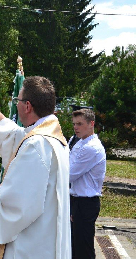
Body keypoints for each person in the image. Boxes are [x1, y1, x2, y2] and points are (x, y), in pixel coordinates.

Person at [0, 76, 71, 258]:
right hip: (45, 243)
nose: (16, 104)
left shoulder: (36, 145)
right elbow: (9, 133)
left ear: (28, 106)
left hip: (29, 247)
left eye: (18, 100)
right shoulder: (54, 139)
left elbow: (17, 205)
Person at [69, 108, 106, 259]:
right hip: (76, 200)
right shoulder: (80, 142)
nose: (75, 127)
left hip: (85, 203)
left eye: (79, 124)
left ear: (91, 124)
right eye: (74, 124)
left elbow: (69, 174)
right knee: (74, 247)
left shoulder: (92, 147)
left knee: (83, 249)